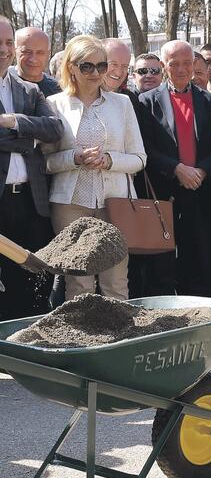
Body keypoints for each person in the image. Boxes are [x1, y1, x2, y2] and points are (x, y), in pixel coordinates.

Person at [41, 35, 145, 301]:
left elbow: (140, 158)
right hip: (70, 204)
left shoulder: (122, 104)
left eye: (102, 66)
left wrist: (109, 160)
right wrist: (73, 158)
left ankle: (120, 341)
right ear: (71, 67)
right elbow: (45, 162)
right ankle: (82, 342)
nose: (96, 73)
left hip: (116, 204)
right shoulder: (53, 105)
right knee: (79, 285)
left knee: (116, 284)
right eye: (87, 66)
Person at [138, 40, 211, 296]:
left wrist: (202, 171)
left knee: (200, 263)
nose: (181, 69)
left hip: (201, 192)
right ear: (164, 66)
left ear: (194, 65)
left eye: (187, 63)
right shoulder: (146, 102)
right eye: (174, 64)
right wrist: (176, 168)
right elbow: (144, 147)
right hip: (163, 193)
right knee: (161, 267)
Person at [0, 16, 63, 320]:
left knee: (32, 280)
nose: (4, 49)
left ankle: (26, 351)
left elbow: (54, 129)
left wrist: (14, 122)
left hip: (30, 202)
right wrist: (30, 139)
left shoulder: (29, 91)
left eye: (8, 42)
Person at [12, 27, 60, 96]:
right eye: (27, 52)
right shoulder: (4, 83)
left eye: (40, 53)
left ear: (48, 54)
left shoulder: (57, 91)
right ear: (15, 50)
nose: (33, 59)